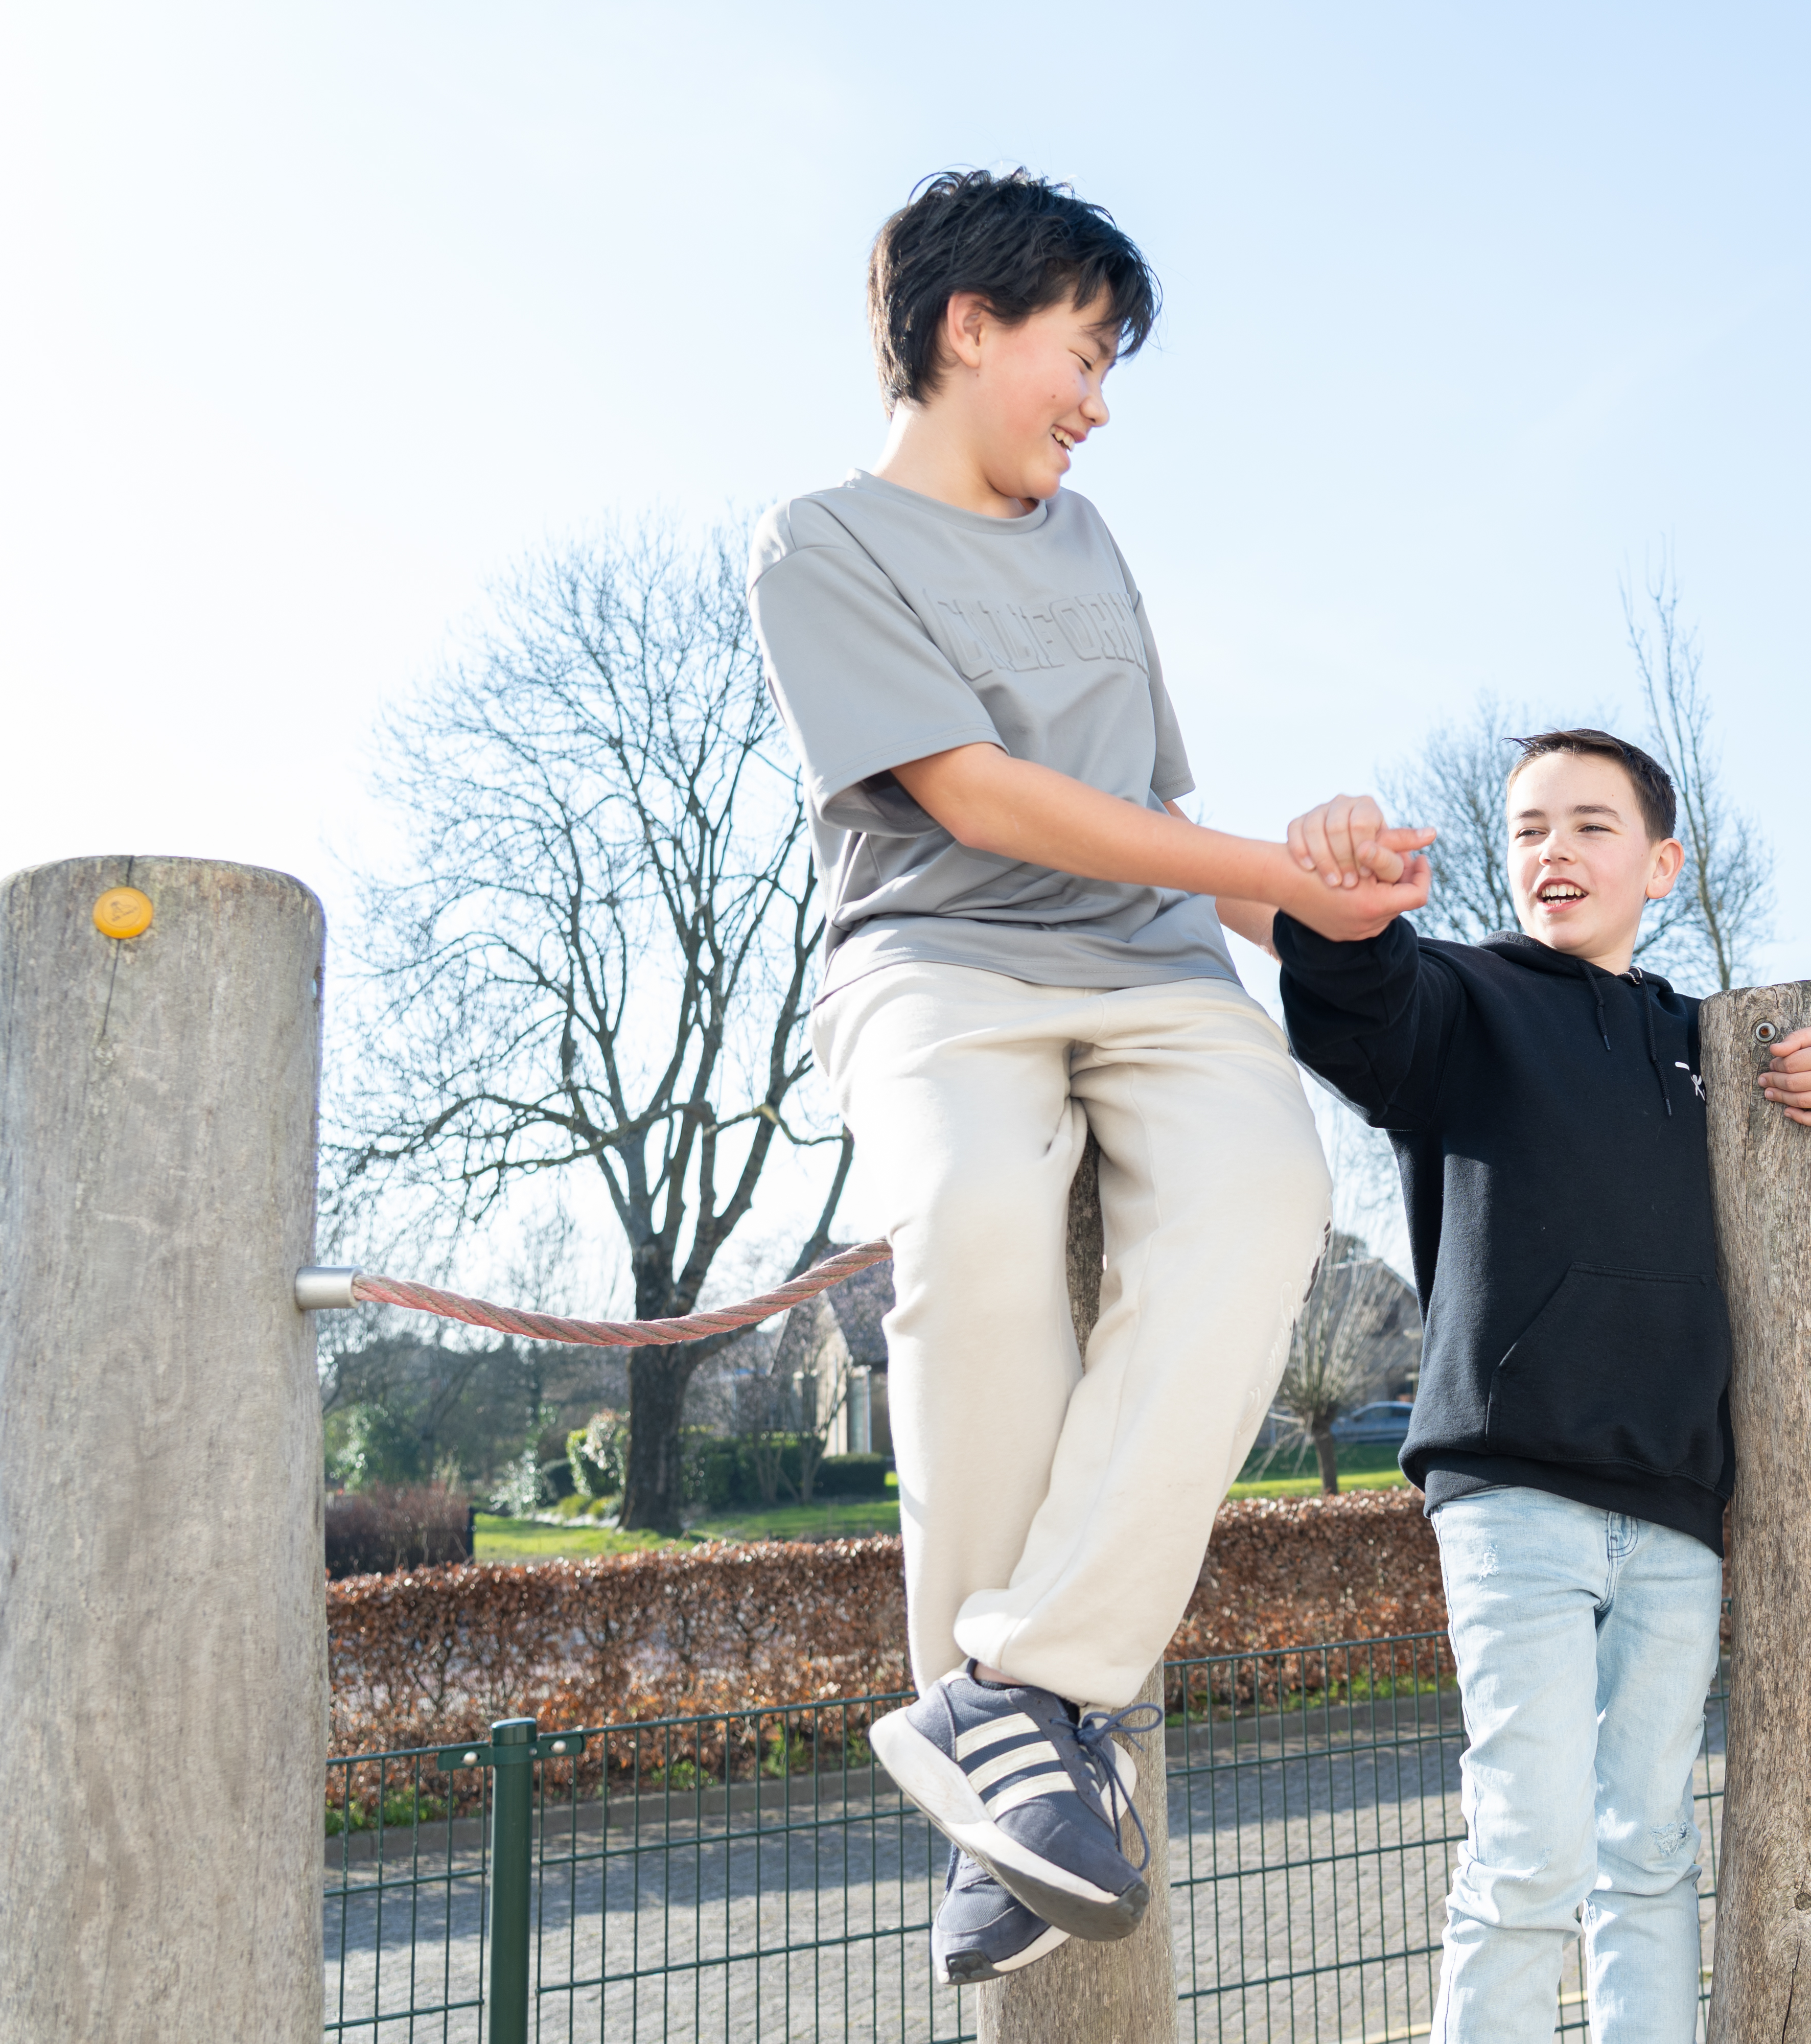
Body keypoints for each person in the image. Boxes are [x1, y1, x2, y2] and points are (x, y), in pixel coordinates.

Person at [746, 168, 1434, 1984]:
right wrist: (1263, 881)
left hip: (1151, 962)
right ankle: (1020, 1752)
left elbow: (1156, 824)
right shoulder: (819, 541)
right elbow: (971, 797)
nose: (1100, 396)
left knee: (1270, 1194)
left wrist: (1314, 902)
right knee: (971, 1213)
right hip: (938, 961)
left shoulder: (1092, 539)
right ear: (968, 327)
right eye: (1084, 345)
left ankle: (1012, 1708)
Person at [1270, 730, 1811, 2042]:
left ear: (1662, 862)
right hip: (1513, 1488)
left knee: (1648, 1844)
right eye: (1529, 828)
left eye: (1590, 825)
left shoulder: (1714, 1041)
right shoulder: (1461, 999)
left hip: (1676, 1504)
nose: (1553, 850)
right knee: (1529, 1845)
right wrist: (1341, 905)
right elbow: (1355, 1008)